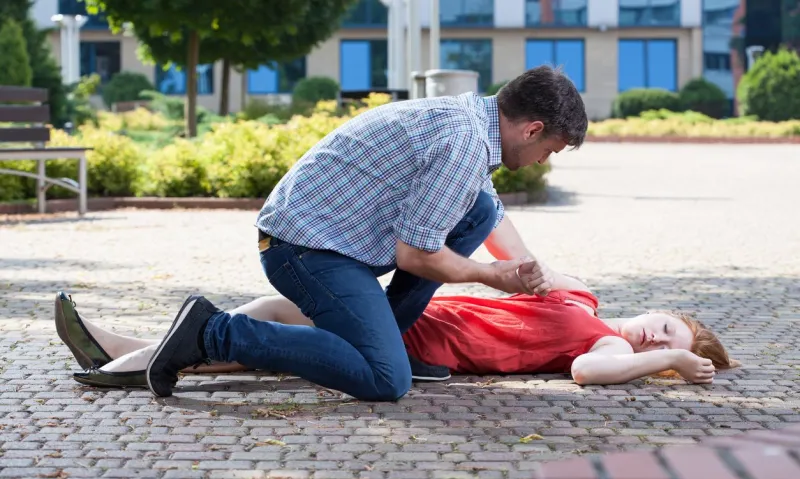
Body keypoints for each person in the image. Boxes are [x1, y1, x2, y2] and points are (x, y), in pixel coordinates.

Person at [138, 66, 590, 402]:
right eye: (548, 149)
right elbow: (416, 255)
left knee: (479, 208)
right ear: (532, 129)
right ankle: (211, 332)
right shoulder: (463, 142)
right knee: (386, 380)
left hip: (335, 242)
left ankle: (386, 337)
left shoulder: (472, 121)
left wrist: (535, 272)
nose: (543, 161)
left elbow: (484, 215)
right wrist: (493, 276)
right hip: (302, 249)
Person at [56, 268, 738, 390]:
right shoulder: (585, 297)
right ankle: (118, 354)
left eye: (667, 343)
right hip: (410, 313)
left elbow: (592, 373)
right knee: (260, 326)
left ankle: (116, 356)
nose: (654, 337)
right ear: (660, 308)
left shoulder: (604, 343)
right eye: (665, 326)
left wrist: (668, 365)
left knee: (259, 323)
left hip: (411, 342)